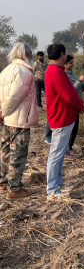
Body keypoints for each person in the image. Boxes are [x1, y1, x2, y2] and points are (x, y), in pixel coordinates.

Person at [45, 44, 84, 200]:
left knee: (60, 153)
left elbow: (70, 93)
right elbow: (68, 95)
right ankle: (52, 189)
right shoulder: (56, 72)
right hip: (61, 118)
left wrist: (79, 104)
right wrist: (80, 106)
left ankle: (58, 184)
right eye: (66, 53)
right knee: (56, 154)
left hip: (64, 116)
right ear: (62, 54)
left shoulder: (57, 70)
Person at [0, 43, 38, 200]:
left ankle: (3, 181)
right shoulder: (24, 72)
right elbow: (14, 98)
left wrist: (2, 112)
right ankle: (14, 189)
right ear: (27, 54)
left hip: (6, 118)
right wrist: (5, 111)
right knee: (18, 153)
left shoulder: (6, 70)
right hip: (18, 118)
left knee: (6, 149)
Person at [45, 55, 84, 156]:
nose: (73, 64)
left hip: (76, 103)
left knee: (74, 129)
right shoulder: (62, 75)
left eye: (73, 62)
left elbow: (81, 88)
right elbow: (70, 91)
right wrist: (79, 81)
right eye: (71, 63)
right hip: (71, 105)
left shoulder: (72, 75)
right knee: (68, 131)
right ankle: (66, 150)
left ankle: (68, 148)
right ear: (64, 64)